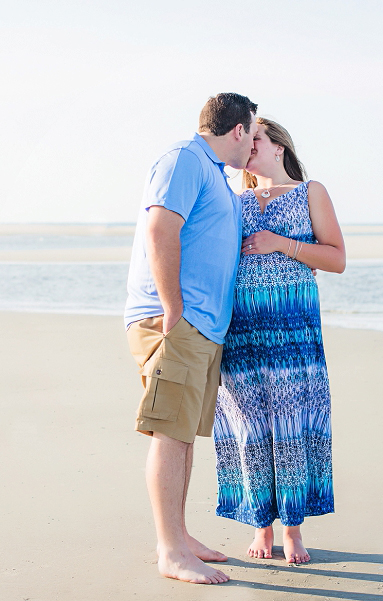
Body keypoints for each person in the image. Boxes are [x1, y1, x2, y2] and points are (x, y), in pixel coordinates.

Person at [124, 93, 257, 585]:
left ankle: (181, 538)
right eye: (253, 132)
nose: (253, 144)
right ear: (239, 130)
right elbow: (161, 228)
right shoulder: (185, 159)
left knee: (182, 438)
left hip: (203, 327)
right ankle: (170, 550)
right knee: (169, 433)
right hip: (177, 323)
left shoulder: (214, 174)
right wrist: (174, 309)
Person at [213, 117, 345, 565]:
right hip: (243, 330)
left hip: (293, 329)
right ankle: (259, 522)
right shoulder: (234, 200)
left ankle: (293, 527)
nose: (249, 147)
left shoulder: (311, 192)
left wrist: (279, 243)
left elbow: (336, 258)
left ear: (279, 147)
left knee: (291, 422)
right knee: (248, 425)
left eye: (257, 139)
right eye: (246, 140)